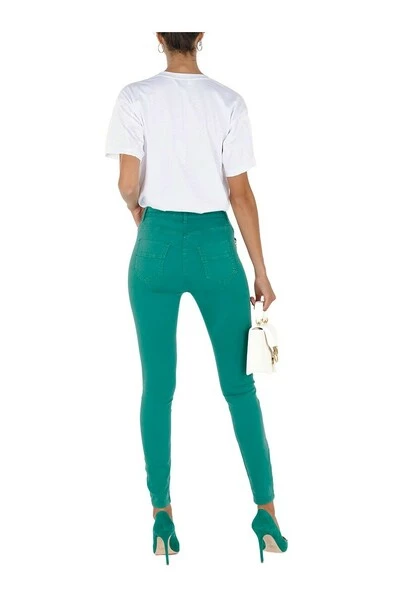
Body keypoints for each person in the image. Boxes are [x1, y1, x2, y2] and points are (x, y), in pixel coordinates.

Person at [105, 32, 288, 564]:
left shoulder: (134, 97)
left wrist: (139, 212)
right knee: (240, 387)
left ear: (160, 37)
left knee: (157, 388)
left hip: (156, 245)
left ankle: (162, 516)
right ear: (201, 37)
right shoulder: (228, 102)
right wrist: (261, 270)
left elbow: (127, 183)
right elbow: (240, 194)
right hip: (214, 250)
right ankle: (266, 513)